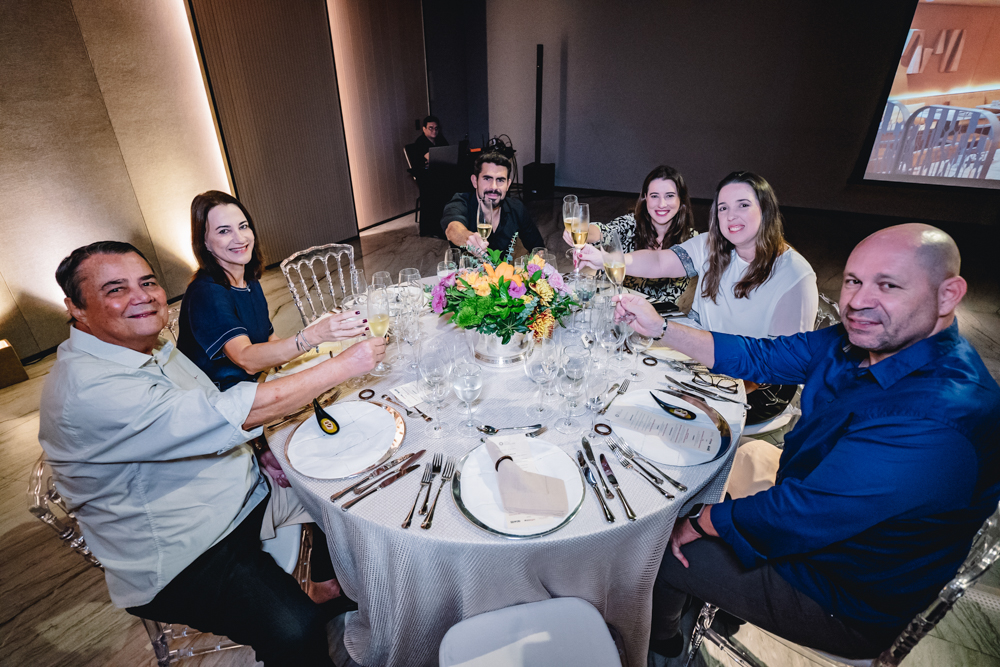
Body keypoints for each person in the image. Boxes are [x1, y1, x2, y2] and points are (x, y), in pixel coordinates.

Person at [611, 224, 1000, 659]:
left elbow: (800, 514)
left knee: (657, 549)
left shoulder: (940, 418)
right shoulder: (859, 343)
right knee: (705, 485)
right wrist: (661, 328)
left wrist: (700, 522)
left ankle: (662, 643)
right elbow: (761, 356)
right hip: (815, 517)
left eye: (888, 285)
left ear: (948, 295)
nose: (858, 301)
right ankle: (720, 603)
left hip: (842, 593)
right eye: (853, 281)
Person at [39, 241, 386, 666]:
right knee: (295, 628)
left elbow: (204, 417)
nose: (141, 296)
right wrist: (345, 365)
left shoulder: (150, 347)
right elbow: (232, 412)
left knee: (347, 487)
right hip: (183, 548)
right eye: (116, 289)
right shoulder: (89, 390)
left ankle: (328, 586)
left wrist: (257, 449)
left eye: (147, 282)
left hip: (238, 493)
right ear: (76, 308)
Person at [177, 189, 366, 602]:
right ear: (203, 241)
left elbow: (267, 342)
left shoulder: (246, 281)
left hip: (258, 402)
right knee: (325, 460)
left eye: (243, 226)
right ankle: (327, 582)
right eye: (223, 231)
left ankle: (335, 569)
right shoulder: (207, 292)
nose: (239, 238)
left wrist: (321, 350)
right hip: (226, 426)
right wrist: (310, 338)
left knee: (343, 423)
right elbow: (246, 358)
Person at [579, 170, 817, 424]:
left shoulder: (795, 276)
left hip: (755, 384)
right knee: (626, 379)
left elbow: (782, 365)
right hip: (700, 359)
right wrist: (608, 259)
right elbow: (659, 261)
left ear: (766, 209)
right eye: (723, 208)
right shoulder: (711, 245)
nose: (731, 215)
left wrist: (707, 388)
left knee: (660, 412)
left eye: (743, 205)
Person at [563, 165, 698, 304]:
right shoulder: (631, 224)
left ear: (681, 199)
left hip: (659, 313)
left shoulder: (692, 240)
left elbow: (659, 263)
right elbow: (604, 232)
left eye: (669, 196)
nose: (662, 204)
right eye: (654, 196)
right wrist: (582, 230)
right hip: (616, 306)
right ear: (645, 198)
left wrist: (607, 259)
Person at [442, 151, 546, 255]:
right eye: (487, 179)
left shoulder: (516, 208)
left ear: (508, 185)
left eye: (500, 180)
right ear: (475, 181)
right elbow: (452, 229)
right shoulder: (460, 202)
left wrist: (538, 261)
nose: (494, 187)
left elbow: (538, 248)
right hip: (465, 266)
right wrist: (468, 239)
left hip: (502, 266)